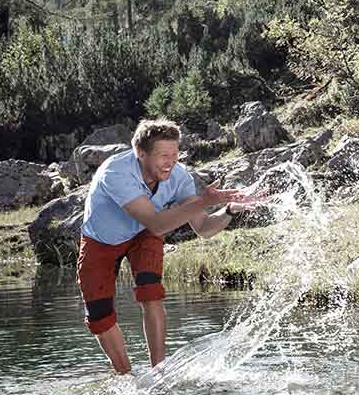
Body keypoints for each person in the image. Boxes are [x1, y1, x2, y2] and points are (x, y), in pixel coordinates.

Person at [78, 119, 265, 373]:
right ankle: (125, 376)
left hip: (144, 233)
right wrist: (202, 201)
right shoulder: (116, 173)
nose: (170, 161)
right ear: (140, 153)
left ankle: (159, 372)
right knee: (99, 315)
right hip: (102, 239)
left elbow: (204, 228)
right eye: (163, 155)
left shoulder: (179, 177)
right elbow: (156, 222)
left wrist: (230, 210)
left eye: (175, 154)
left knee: (151, 291)